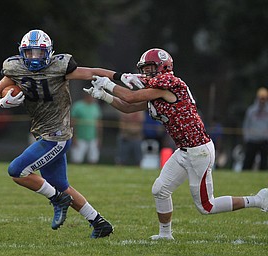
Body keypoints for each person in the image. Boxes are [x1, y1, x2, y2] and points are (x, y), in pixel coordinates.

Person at [84, 48, 268, 240]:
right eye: (144, 69)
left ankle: (257, 200)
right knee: (160, 190)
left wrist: (108, 83)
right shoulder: (156, 90)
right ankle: (165, 234)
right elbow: (128, 107)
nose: (146, 73)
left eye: (150, 68)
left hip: (199, 150)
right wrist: (103, 95)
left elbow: (130, 96)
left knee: (207, 206)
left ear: (163, 67)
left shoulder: (172, 83)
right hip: (184, 150)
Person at [0, 29, 143, 238]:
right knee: (61, 186)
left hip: (57, 135)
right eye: (30, 53)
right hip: (42, 133)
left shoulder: (60, 66)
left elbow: (92, 72)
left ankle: (57, 199)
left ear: (49, 52)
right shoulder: (15, 68)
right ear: (22, 52)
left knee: (17, 171)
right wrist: (1, 101)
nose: (34, 58)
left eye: (39, 53)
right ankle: (99, 223)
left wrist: (120, 76)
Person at [70, 93, 102, 164]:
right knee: (77, 159)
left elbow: (99, 123)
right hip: (80, 137)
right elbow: (72, 122)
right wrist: (74, 136)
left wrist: (99, 137)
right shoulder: (77, 106)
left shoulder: (96, 107)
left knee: (93, 159)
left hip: (93, 137)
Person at [242, 87, 268, 171]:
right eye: (261, 98)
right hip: (252, 140)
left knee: (264, 164)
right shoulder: (251, 110)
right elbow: (246, 124)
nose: (262, 101)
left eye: (264, 99)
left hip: (264, 140)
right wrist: (247, 137)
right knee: (247, 163)